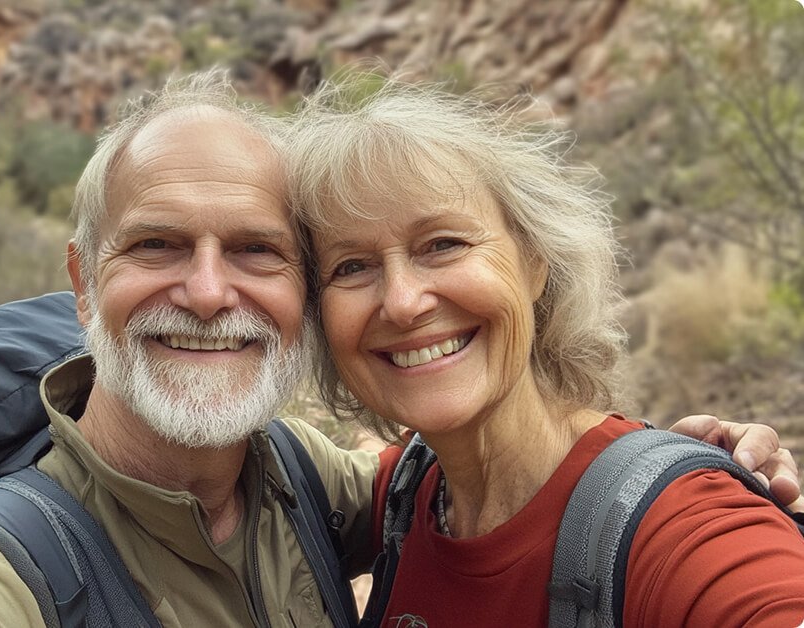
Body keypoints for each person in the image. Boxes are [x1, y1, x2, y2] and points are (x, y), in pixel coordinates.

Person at [0, 69, 800, 627]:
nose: (211, 290)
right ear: (84, 279)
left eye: (257, 250)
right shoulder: (3, 572)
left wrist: (667, 465)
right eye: (157, 244)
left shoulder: (312, 479)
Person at [285, 75, 804, 626]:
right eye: (352, 266)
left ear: (535, 263)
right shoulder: (407, 492)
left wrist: (674, 472)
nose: (403, 302)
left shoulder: (682, 526)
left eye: (443, 244)